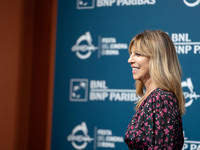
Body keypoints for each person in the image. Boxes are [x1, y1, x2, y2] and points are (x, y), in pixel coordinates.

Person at [125, 30, 185, 150]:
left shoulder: (161, 100)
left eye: (138, 54)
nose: (130, 60)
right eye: (131, 54)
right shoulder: (153, 97)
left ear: (157, 59)